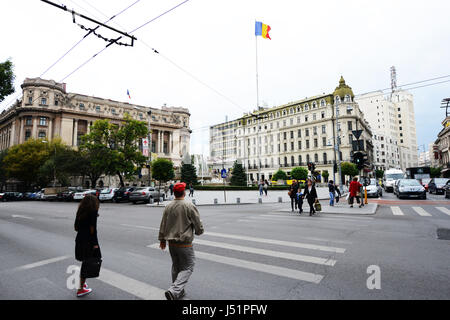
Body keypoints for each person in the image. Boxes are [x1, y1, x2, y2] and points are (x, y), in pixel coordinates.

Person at [158, 182, 204, 300]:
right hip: (184, 243)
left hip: (171, 243)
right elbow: (198, 224)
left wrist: (162, 239)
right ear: (184, 192)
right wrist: (199, 231)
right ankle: (174, 290)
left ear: (174, 193)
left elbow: (163, 224)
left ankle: (178, 292)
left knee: (176, 267)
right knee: (188, 266)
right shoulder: (189, 206)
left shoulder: (168, 206)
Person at [74, 194, 101, 297]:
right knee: (88, 263)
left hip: (79, 239)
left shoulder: (80, 212)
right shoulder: (93, 213)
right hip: (88, 241)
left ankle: (82, 283)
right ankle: (80, 289)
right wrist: (95, 245)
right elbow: (93, 230)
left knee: (85, 262)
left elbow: (76, 228)